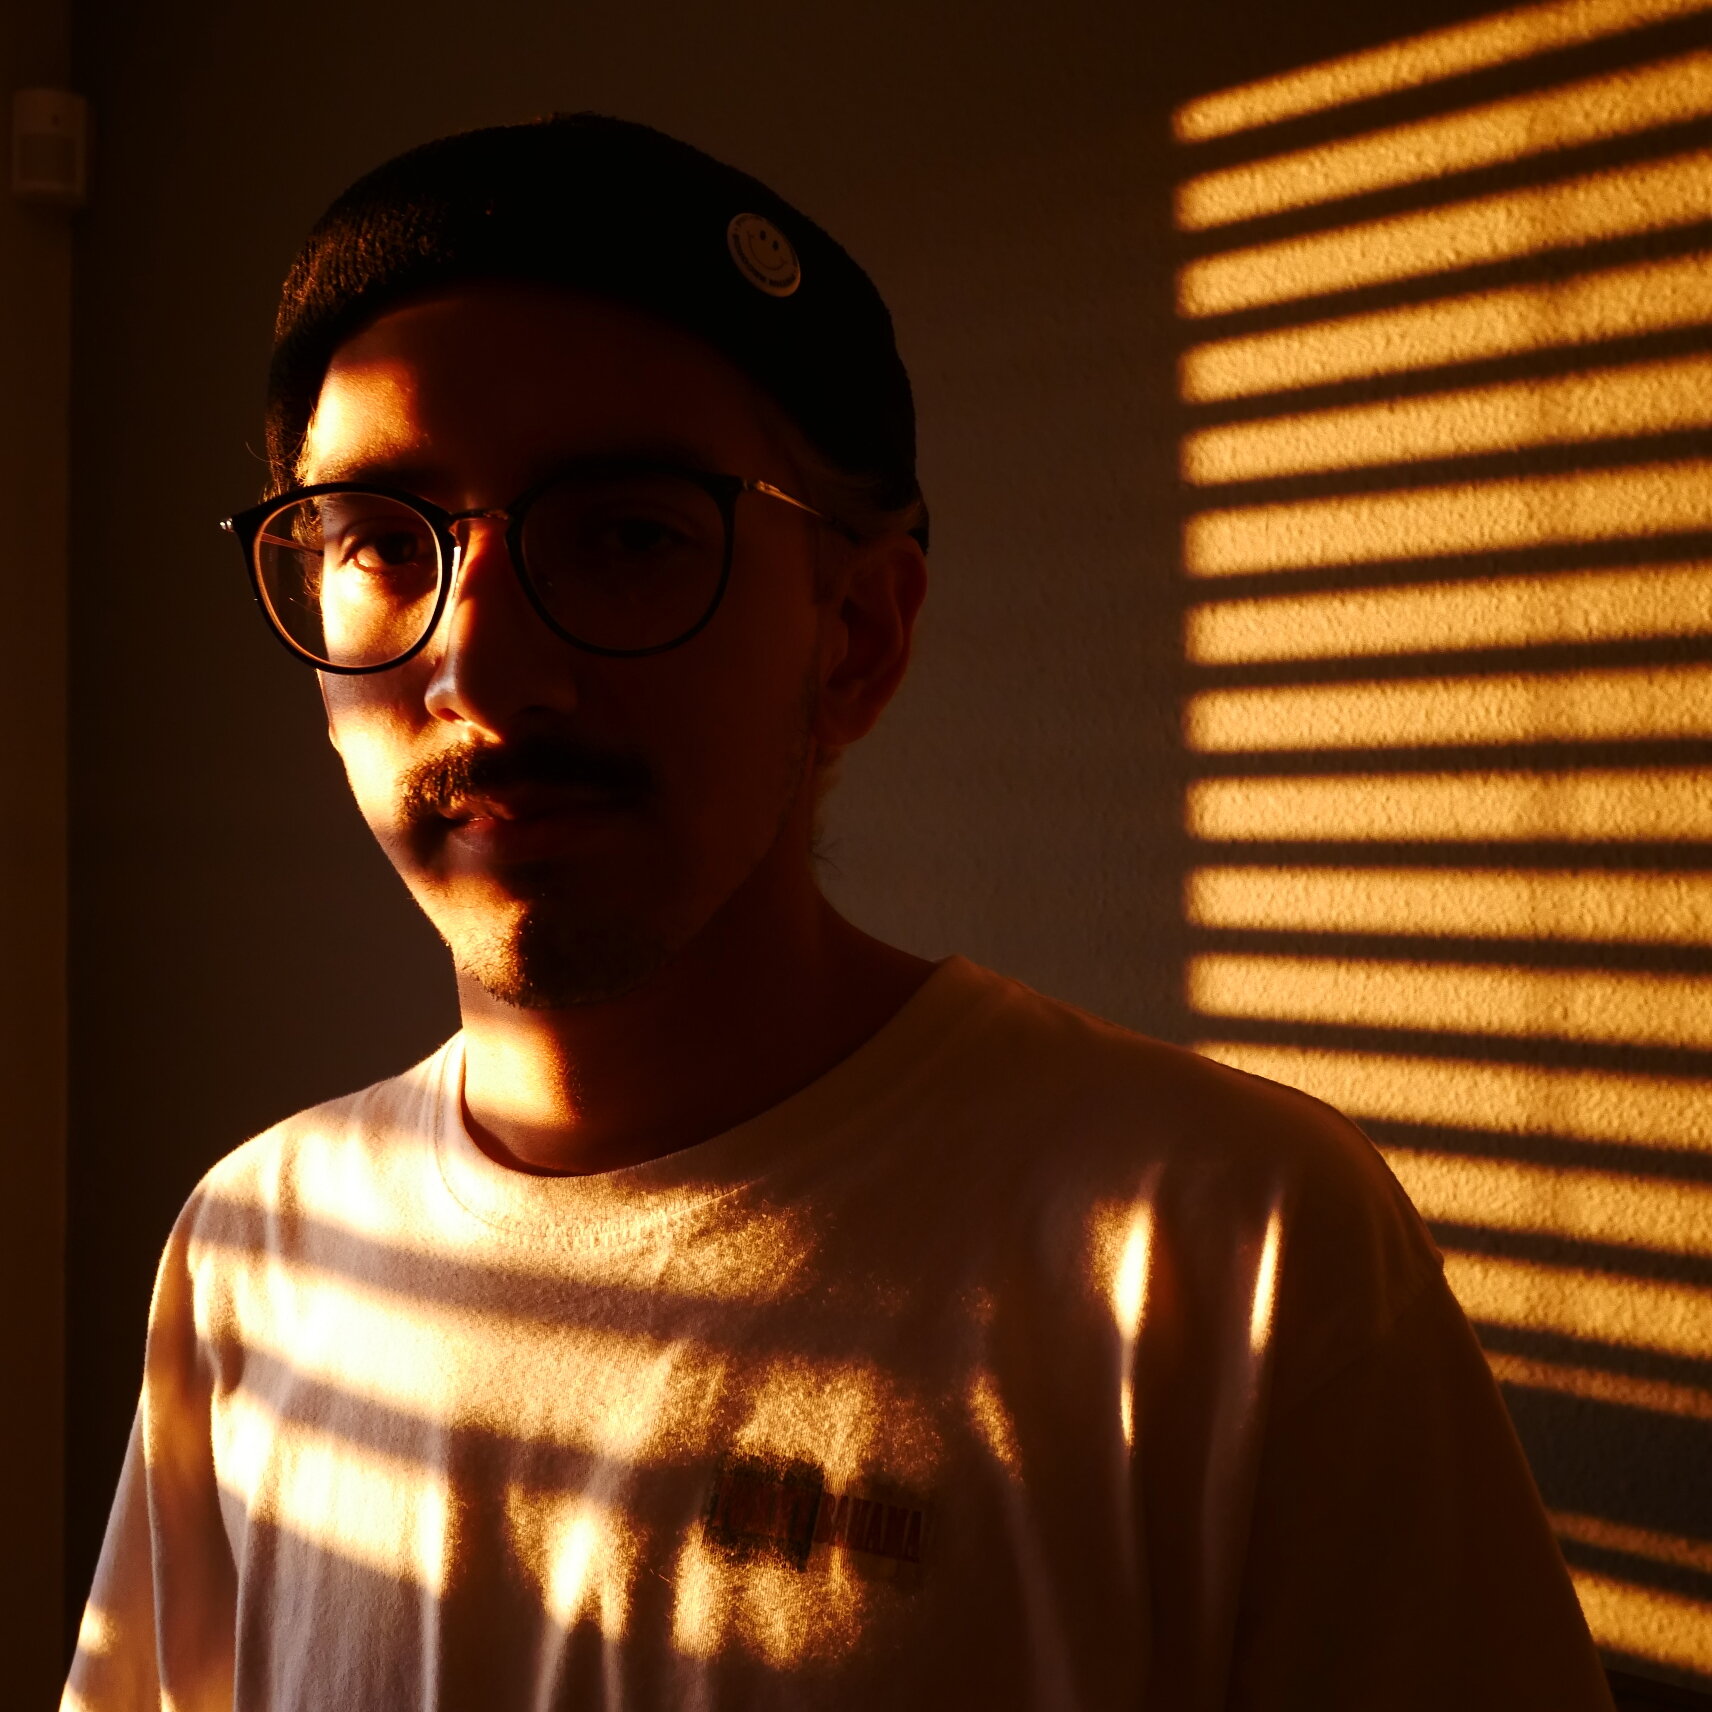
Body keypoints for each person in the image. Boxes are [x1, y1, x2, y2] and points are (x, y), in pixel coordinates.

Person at [64, 114, 1615, 1712]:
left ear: (856, 637)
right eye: (385, 544)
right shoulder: (259, 1253)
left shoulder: (1226, 1252)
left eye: (628, 535)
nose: (487, 668)